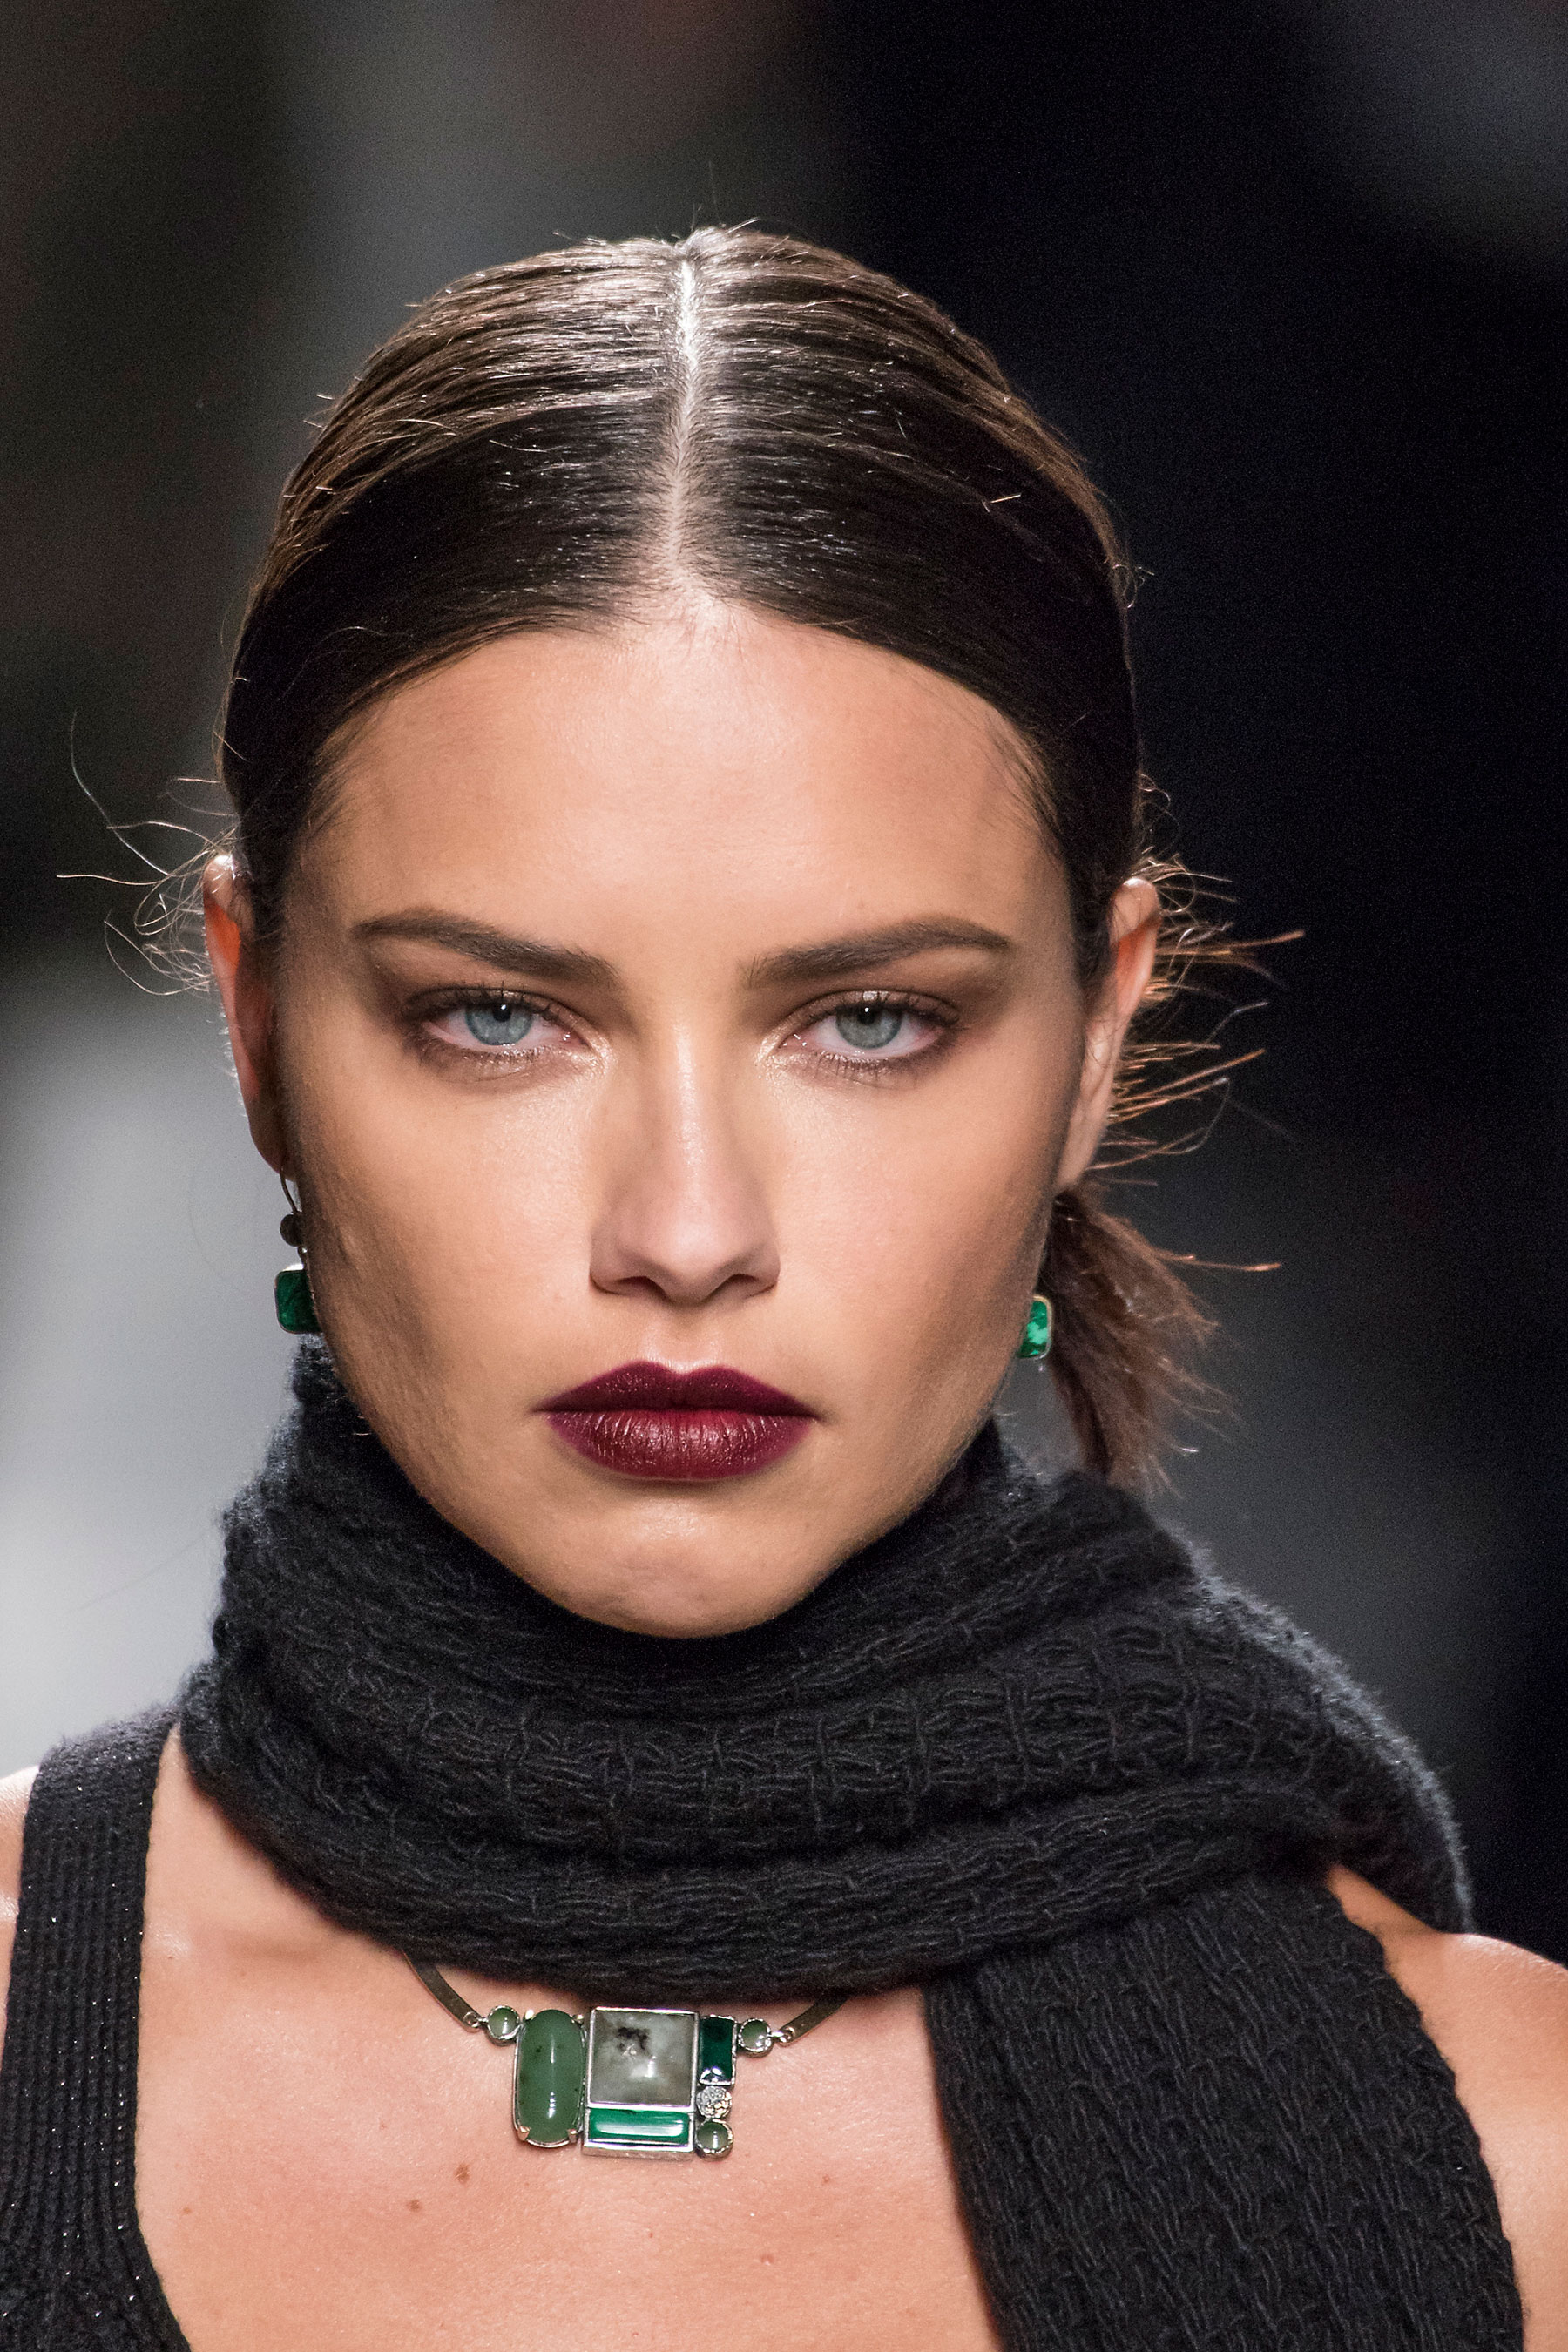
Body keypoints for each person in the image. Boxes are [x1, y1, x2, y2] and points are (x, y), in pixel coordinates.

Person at [1, 227, 1565, 2352]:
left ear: (1095, 1042)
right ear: (259, 1025)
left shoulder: (1513, 2166)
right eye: (496, 1016)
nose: (686, 1224)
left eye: (869, 1022)